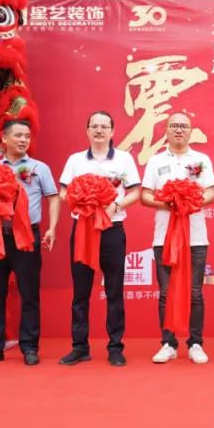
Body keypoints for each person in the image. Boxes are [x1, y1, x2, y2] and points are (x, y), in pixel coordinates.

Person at [57, 111, 141, 367]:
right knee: (80, 291)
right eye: (94, 126)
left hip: (112, 230)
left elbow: (135, 192)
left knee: (114, 290)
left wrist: (116, 205)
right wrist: (79, 202)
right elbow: (63, 191)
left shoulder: (124, 159)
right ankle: (80, 347)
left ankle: (115, 347)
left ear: (112, 131)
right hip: (83, 228)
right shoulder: (75, 160)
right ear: (87, 131)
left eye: (104, 126)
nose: (99, 130)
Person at [0, 119, 59, 367]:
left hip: (27, 237)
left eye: (27, 136)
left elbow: (53, 197)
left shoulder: (39, 168)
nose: (23, 140)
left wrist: (52, 228)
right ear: (4, 138)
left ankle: (29, 347)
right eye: (18, 135)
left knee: (29, 295)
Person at [140, 112, 214, 365]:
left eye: (184, 126)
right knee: (165, 292)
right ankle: (168, 343)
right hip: (164, 237)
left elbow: (211, 193)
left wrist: (189, 202)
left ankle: (195, 343)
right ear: (166, 130)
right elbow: (145, 195)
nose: (179, 130)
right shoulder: (156, 161)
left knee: (195, 292)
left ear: (191, 130)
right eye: (174, 125)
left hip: (195, 237)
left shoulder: (201, 160)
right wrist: (169, 202)